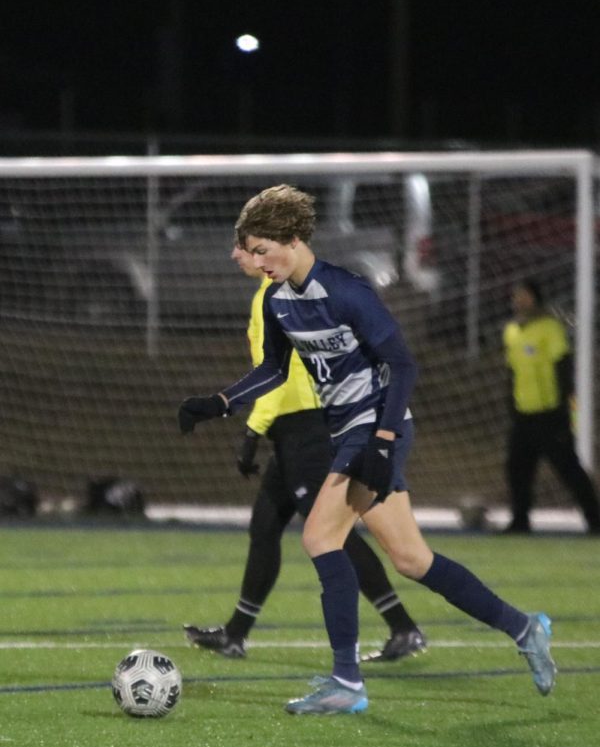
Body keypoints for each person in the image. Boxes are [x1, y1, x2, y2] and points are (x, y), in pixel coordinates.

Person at [178, 184, 556, 715]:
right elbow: (274, 370)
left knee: (319, 537)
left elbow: (402, 364)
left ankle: (346, 682)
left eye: (263, 249)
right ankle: (525, 627)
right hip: (349, 433)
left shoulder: (346, 290)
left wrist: (381, 440)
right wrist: (217, 403)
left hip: (377, 428)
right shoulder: (279, 300)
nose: (256, 261)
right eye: (252, 251)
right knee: (411, 558)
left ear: (292, 239)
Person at [183, 241, 426, 661]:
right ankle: (236, 633)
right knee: (264, 528)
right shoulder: (277, 295)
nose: (236, 256)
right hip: (291, 429)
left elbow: (280, 376)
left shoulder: (275, 298)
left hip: (305, 428)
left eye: (243, 248)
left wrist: (252, 431)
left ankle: (402, 626)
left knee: (332, 536)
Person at [502, 278, 600, 535]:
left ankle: (595, 520)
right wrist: (511, 405)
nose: (518, 300)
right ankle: (520, 521)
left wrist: (564, 408)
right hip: (523, 415)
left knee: (569, 469)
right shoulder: (512, 331)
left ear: (535, 297)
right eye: (515, 296)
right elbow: (512, 372)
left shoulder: (550, 328)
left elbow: (563, 368)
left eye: (523, 295)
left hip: (550, 414)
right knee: (517, 469)